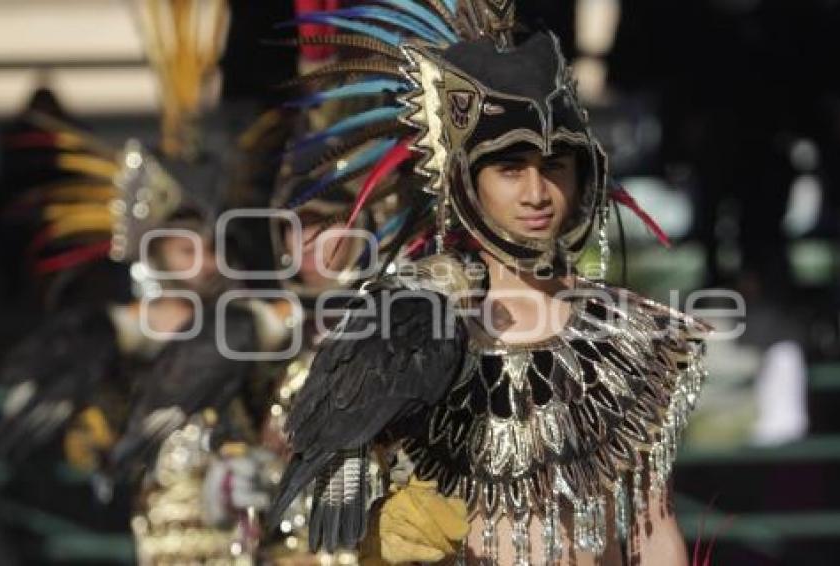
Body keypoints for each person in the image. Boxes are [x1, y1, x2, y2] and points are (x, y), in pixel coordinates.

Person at [266, 1, 710, 564]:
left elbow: (653, 528)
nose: (535, 192)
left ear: (583, 174)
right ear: (466, 182)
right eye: (509, 168)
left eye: (554, 166)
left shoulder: (636, 341)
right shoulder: (405, 336)